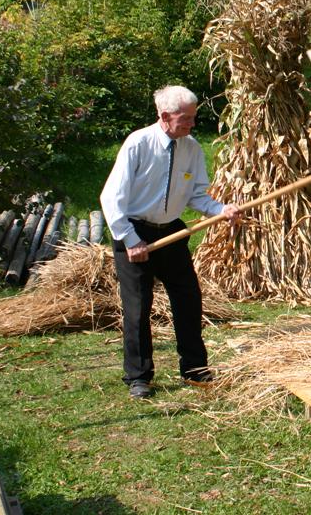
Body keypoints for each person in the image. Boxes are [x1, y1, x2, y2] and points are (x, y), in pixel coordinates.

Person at [100, 85, 240, 399]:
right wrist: (131, 240)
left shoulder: (191, 148)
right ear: (165, 116)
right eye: (185, 118)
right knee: (137, 306)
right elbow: (111, 198)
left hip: (171, 232)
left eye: (193, 117)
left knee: (188, 297)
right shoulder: (138, 144)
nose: (192, 124)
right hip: (133, 231)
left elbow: (197, 195)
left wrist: (222, 209)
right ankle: (139, 377)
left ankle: (194, 367)